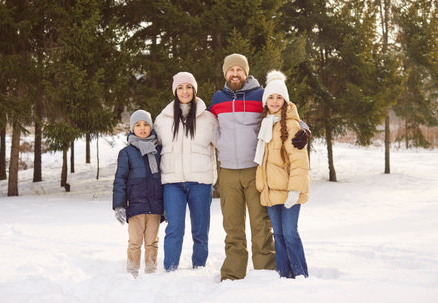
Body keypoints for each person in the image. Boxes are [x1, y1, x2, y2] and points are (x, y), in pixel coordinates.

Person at [209, 53, 310, 281]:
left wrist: (304, 129)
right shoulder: (217, 100)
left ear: (246, 72)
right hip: (227, 171)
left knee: (261, 225)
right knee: (232, 226)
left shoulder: (261, 95)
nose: (235, 74)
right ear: (225, 73)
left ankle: (266, 271)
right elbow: (202, 122)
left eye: (239, 70)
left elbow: (286, 111)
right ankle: (233, 274)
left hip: (255, 170)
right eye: (231, 70)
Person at [154, 72, 218, 271]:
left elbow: (223, 143)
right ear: (175, 91)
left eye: (188, 87)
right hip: (172, 182)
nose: (184, 91)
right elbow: (150, 144)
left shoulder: (208, 118)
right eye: (180, 87)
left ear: (194, 90)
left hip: (200, 181)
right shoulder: (162, 119)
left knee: (200, 229)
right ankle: (170, 268)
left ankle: (199, 266)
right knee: (174, 228)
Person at [255, 70, 310, 278]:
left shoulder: (292, 125)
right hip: (271, 191)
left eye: (279, 97)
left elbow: (299, 163)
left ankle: (300, 274)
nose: (275, 101)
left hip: (289, 191)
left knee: (290, 233)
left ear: (285, 101)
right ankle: (283, 275)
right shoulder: (265, 124)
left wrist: (295, 190)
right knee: (277, 235)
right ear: (265, 100)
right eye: (271, 97)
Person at [112, 109, 164, 278]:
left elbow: (164, 178)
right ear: (132, 128)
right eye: (138, 125)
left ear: (151, 128)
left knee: (152, 242)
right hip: (134, 206)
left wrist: (167, 205)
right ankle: (132, 271)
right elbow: (120, 179)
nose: (142, 128)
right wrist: (119, 205)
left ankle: (151, 271)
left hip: (155, 206)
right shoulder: (126, 153)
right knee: (135, 242)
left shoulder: (159, 151)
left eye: (146, 124)